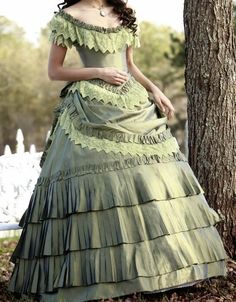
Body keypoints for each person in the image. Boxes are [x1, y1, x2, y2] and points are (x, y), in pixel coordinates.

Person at [7, 0, 228, 301]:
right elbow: (55, 71)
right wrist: (99, 72)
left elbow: (130, 66)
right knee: (101, 188)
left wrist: (155, 90)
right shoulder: (67, 17)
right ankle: (98, 276)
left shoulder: (123, 13)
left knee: (150, 181)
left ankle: (163, 266)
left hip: (133, 103)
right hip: (90, 108)